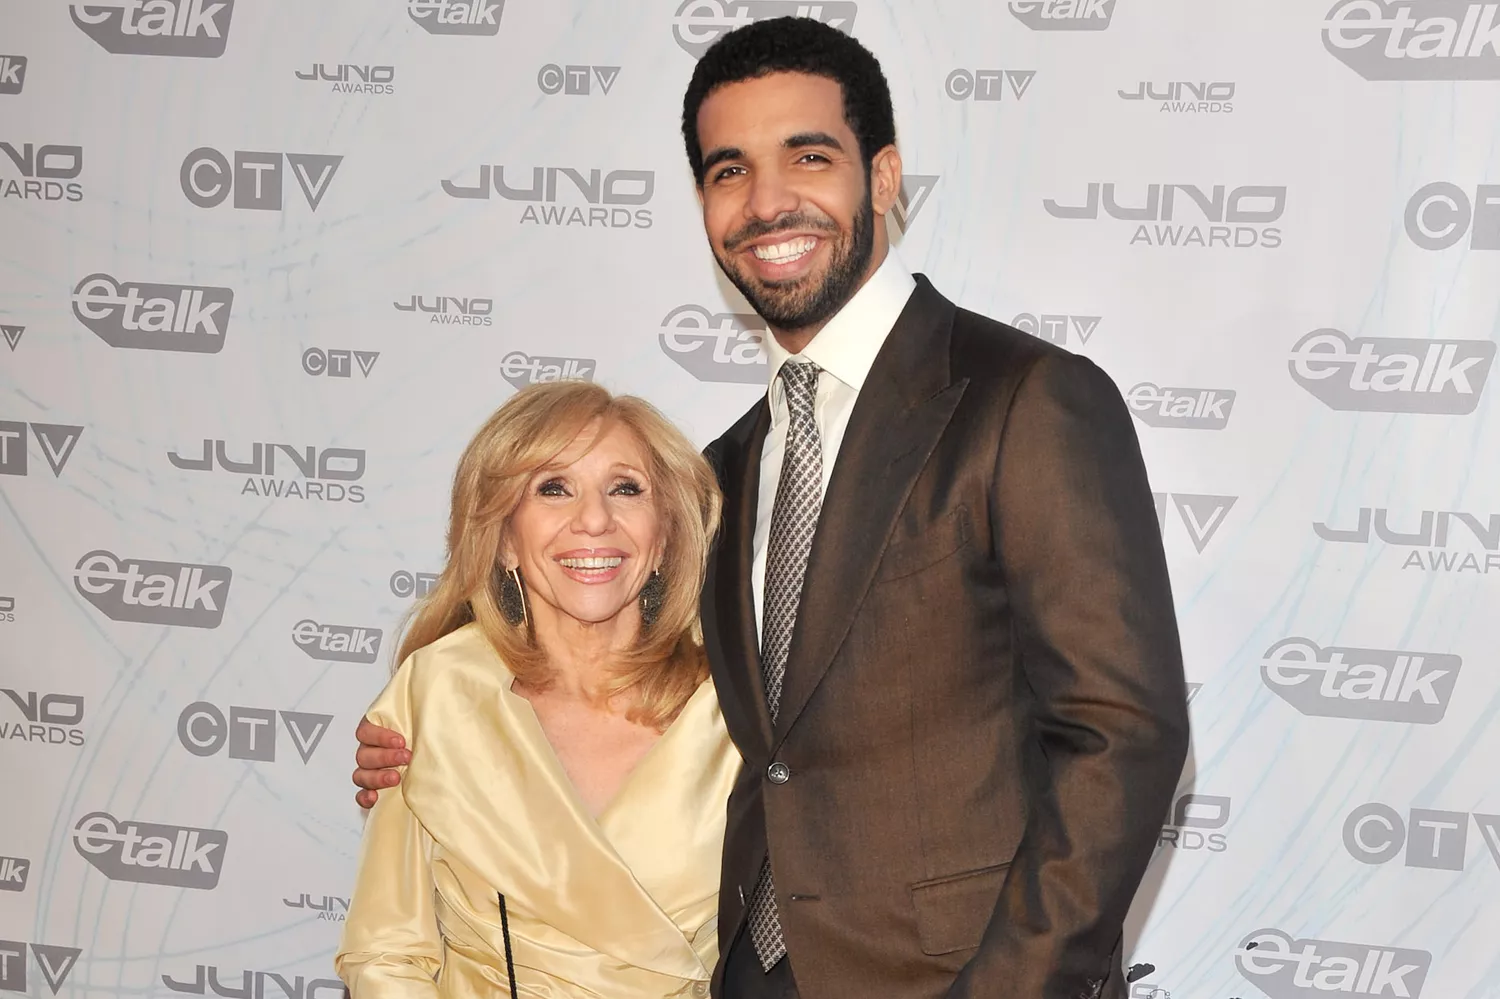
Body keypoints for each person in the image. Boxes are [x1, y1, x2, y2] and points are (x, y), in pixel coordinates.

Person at [354, 17, 1189, 999]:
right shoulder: (725, 468)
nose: (767, 201)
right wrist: (428, 743)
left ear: (883, 178)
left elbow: (1120, 730)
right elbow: (615, 637)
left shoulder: (1026, 399)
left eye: (808, 156)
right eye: (728, 171)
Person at [334, 381, 736, 999]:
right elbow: (387, 952)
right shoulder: (439, 692)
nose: (595, 519)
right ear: (503, 538)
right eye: (554, 488)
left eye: (625, 488)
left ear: (666, 536)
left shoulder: (738, 707)